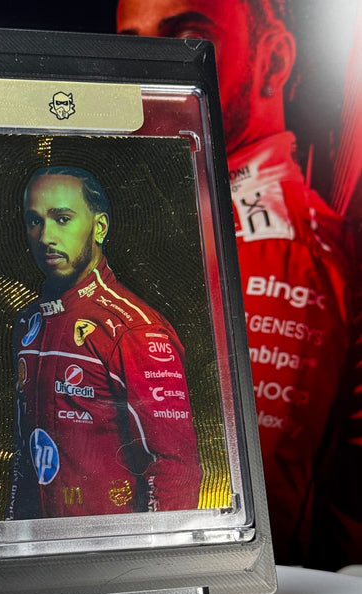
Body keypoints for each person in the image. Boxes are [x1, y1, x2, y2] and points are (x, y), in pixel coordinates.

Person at [117, 0, 353, 563]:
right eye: (131, 47)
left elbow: (245, 529)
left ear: (274, 61)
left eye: (189, 38)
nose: (150, 73)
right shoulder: (197, 219)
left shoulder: (274, 243)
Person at [7, 166, 203, 519]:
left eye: (62, 219)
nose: (46, 236)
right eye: (35, 221)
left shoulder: (135, 331)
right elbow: (25, 457)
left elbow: (175, 469)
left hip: (110, 547)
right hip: (39, 546)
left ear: (99, 227)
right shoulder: (28, 323)